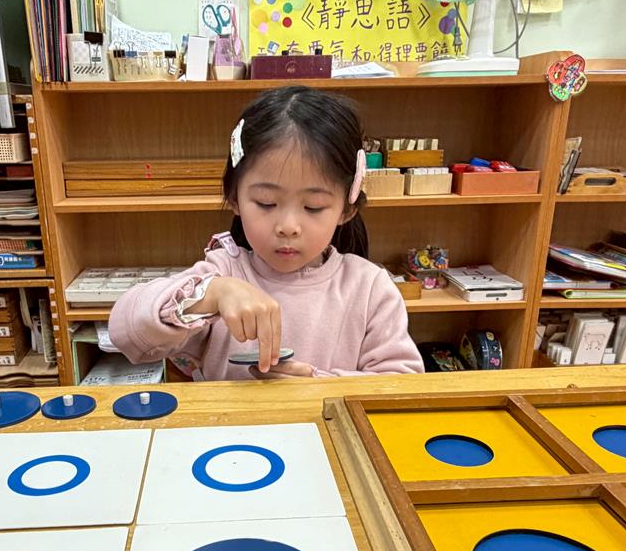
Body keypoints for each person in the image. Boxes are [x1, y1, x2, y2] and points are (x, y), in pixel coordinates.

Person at [109, 85, 423, 380]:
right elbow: (125, 332)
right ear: (235, 198)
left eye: (313, 207)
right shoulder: (224, 271)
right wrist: (210, 295)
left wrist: (320, 386)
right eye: (266, 202)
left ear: (346, 209)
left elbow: (402, 385)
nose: (288, 226)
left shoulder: (369, 288)